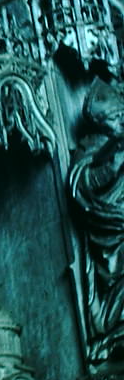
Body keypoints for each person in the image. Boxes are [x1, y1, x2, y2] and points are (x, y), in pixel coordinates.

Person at [69, 81, 124, 363]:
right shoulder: (90, 148)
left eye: (120, 115)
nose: (119, 121)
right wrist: (111, 168)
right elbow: (79, 186)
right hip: (112, 224)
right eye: (112, 119)